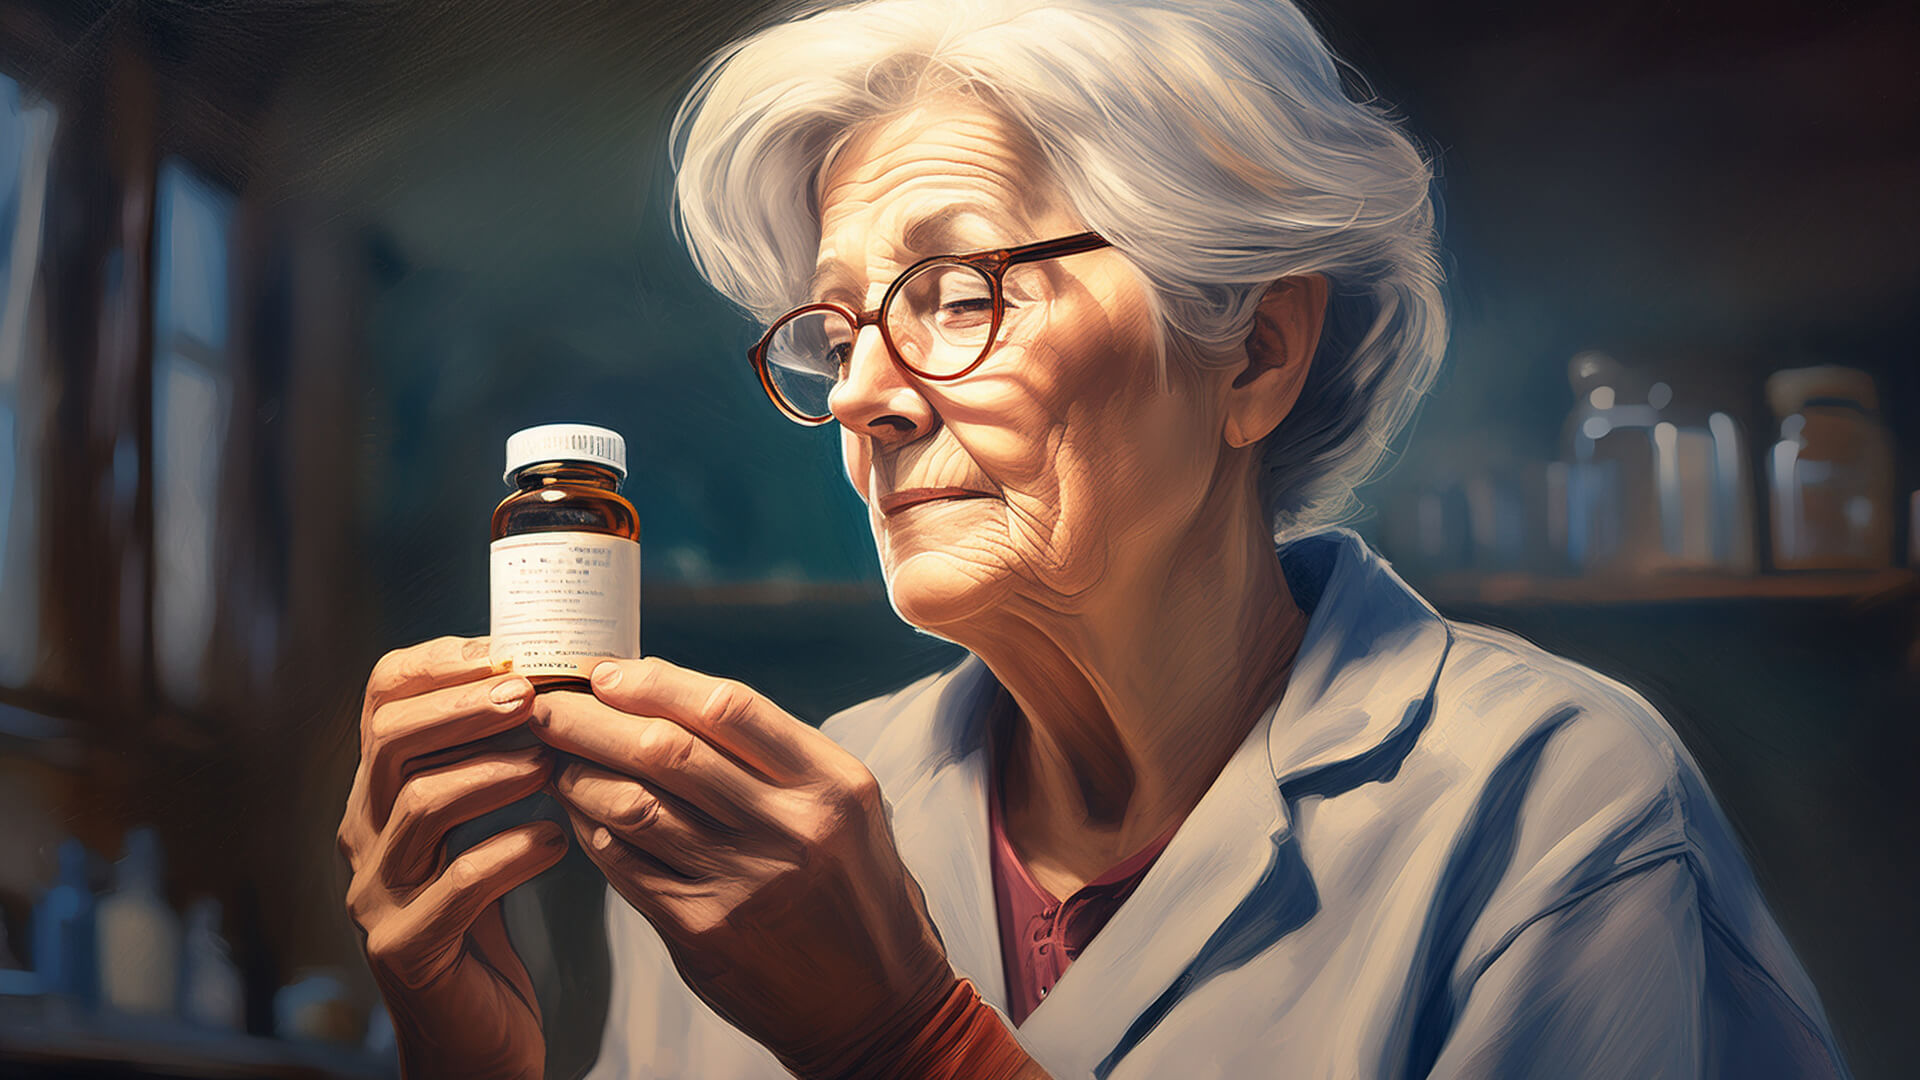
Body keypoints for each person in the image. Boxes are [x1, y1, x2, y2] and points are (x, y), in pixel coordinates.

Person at [336, 1, 1853, 1077]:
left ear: (1252, 354)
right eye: (838, 323)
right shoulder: (767, 841)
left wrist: (906, 1049)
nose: (864, 391)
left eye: (958, 292)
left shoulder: (1553, 813)